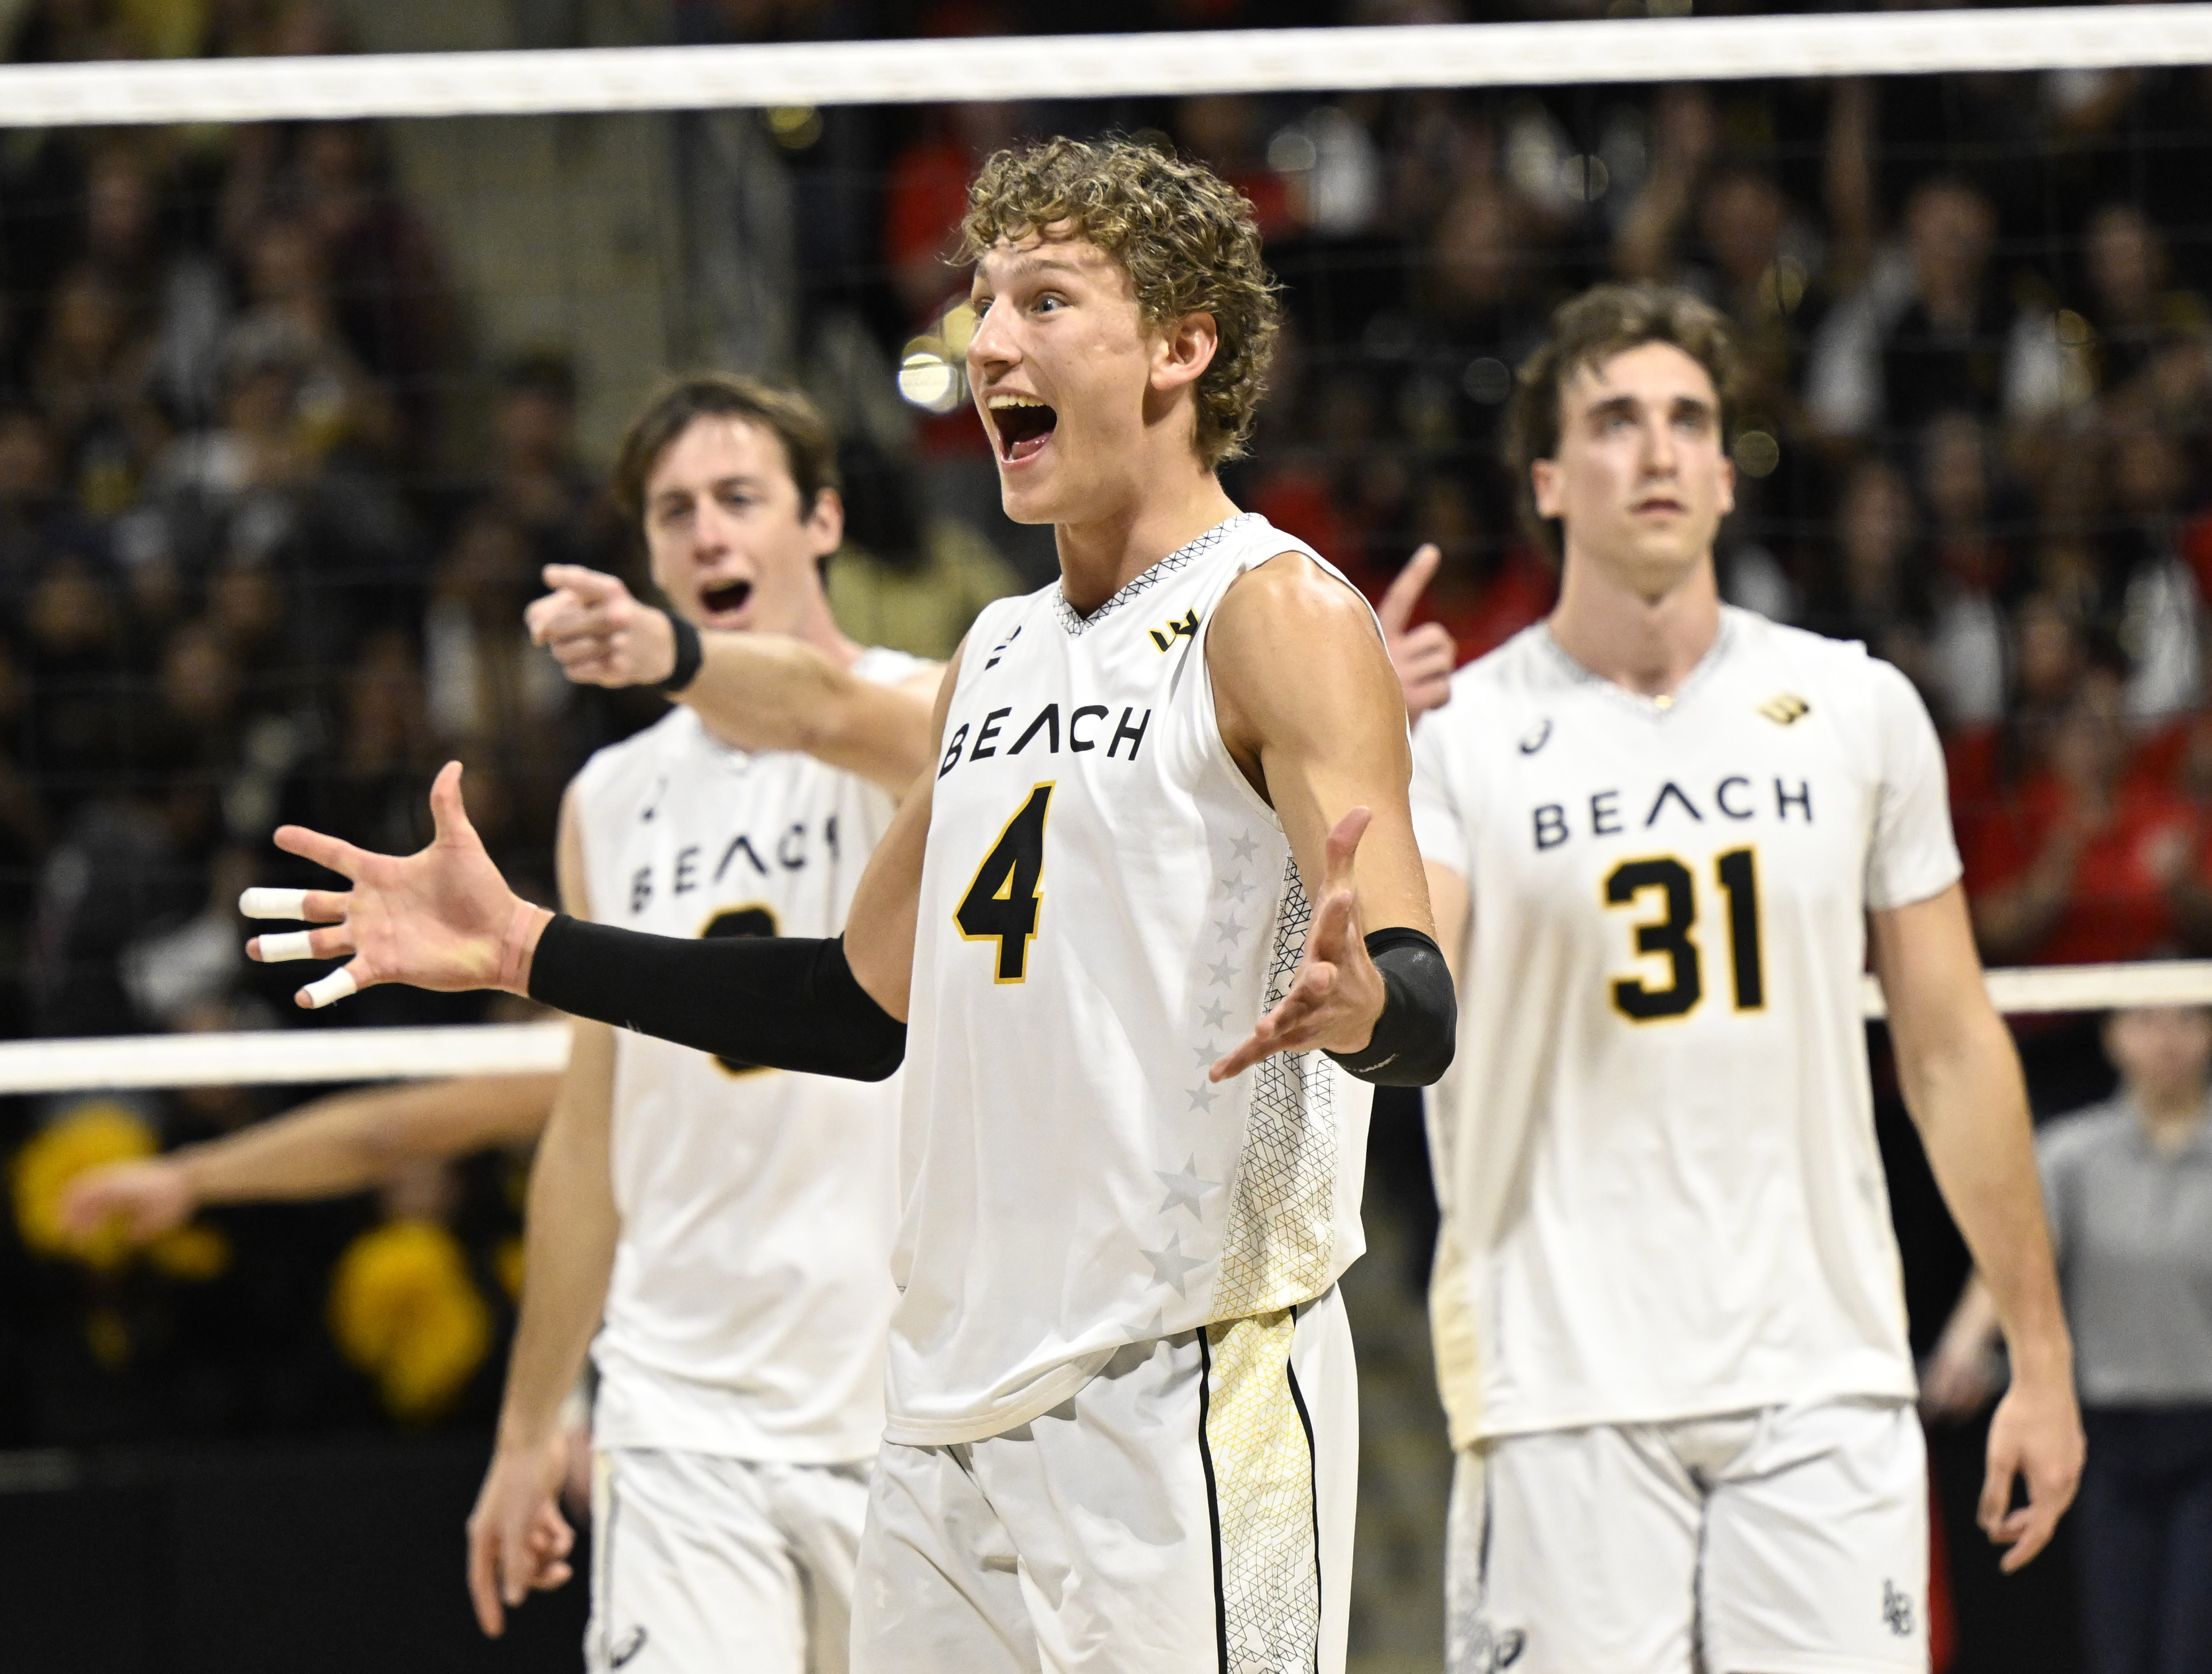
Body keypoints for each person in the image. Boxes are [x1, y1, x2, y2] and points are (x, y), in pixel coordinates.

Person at [240, 136, 1455, 1673]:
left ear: (1179, 345)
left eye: (1044, 300)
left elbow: (1417, 994)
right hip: (946, 1414)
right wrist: (524, 945)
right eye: (979, 301)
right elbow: (848, 1004)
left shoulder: (1273, 609)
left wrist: (1367, 1010)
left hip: (1177, 1382)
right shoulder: (999, 652)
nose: (988, 339)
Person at [1409, 282, 2083, 1674]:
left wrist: (2036, 1344)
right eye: (1611, 422)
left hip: (1820, 1373)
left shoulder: (1852, 707)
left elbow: (1949, 1048)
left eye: (1686, 421)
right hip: (1560, 1382)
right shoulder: (1456, 734)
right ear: (1545, 477)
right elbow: (1387, 989)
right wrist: (1333, 740)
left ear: (1724, 472)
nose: (1654, 452)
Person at [1926, 1004, 2212, 1674]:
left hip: (2206, 1430)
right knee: (2114, 1641)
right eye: (2146, 1022)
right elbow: (2012, 1266)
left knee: (2191, 1645)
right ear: (2111, 1036)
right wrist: (1961, 1349)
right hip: (2108, 1432)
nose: (2166, 1040)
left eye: (2187, 1020)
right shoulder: (2071, 1152)